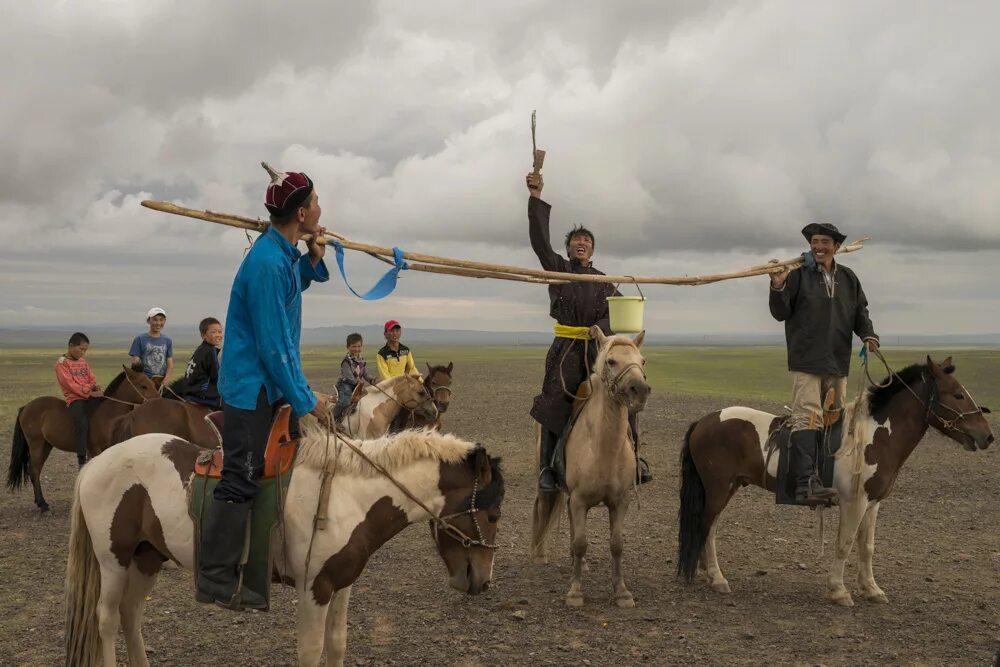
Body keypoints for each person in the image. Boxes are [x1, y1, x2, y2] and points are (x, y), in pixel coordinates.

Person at [196, 163, 332, 611]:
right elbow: (275, 350)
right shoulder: (266, 263)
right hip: (251, 386)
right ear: (299, 213)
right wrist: (307, 399)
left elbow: (292, 288)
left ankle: (271, 563)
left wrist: (312, 259)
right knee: (243, 473)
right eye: (314, 202)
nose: (320, 208)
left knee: (285, 467)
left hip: (268, 385)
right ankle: (216, 580)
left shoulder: (282, 256)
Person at [525, 171, 651, 492]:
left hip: (598, 351)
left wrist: (602, 328)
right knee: (555, 403)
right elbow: (540, 242)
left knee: (623, 393)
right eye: (576, 240)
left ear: (592, 251)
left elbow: (619, 311)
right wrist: (536, 197)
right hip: (566, 349)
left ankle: (634, 458)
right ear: (568, 250)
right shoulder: (559, 269)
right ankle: (548, 470)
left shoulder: (603, 280)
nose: (582, 243)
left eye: (587, 241)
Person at [769, 222, 879, 504]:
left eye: (824, 242)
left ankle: (825, 479)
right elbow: (780, 312)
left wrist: (868, 335)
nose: (818, 247)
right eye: (814, 242)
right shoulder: (796, 275)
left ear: (836, 247)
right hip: (806, 359)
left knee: (833, 419)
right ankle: (805, 485)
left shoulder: (849, 278)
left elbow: (859, 312)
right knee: (807, 417)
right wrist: (778, 284)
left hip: (837, 360)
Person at [55, 332, 103, 467]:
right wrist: (89, 392)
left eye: (85, 350)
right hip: (75, 399)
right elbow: (70, 385)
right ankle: (82, 458)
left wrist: (94, 386)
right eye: (81, 349)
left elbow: (91, 378)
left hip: (88, 394)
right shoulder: (62, 364)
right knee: (81, 423)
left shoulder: (82, 362)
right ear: (71, 346)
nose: (83, 353)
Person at [167, 317, 223, 408]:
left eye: (220, 332)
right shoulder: (210, 351)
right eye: (213, 332)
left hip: (190, 388)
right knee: (229, 402)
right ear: (203, 335)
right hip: (201, 391)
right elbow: (216, 376)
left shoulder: (201, 348)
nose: (218, 335)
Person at [334, 332, 376, 421]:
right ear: (348, 347)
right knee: (345, 402)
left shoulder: (361, 361)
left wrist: (371, 380)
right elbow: (348, 376)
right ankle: (334, 418)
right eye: (353, 346)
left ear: (362, 347)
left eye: (358, 346)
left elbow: (364, 372)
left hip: (357, 385)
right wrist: (357, 382)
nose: (356, 349)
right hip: (345, 385)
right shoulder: (346, 361)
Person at [128, 306, 174, 386]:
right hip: (144, 383)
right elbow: (135, 363)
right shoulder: (139, 339)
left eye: (161, 320)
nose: (158, 323)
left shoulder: (167, 340)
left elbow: (169, 363)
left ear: (165, 321)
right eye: (155, 319)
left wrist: (166, 379)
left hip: (161, 382)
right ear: (149, 321)